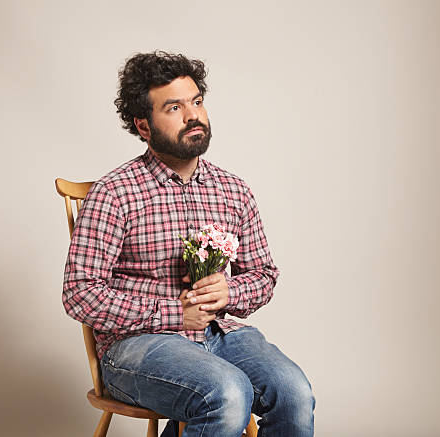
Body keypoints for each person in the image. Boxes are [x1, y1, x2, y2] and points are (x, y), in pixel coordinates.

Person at [63, 50, 315, 437]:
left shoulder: (233, 190)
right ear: (143, 126)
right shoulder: (115, 193)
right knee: (227, 393)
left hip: (219, 334)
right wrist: (173, 315)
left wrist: (228, 291)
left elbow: (264, 275)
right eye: (174, 108)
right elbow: (80, 293)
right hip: (137, 348)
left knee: (293, 392)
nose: (192, 115)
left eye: (197, 102)